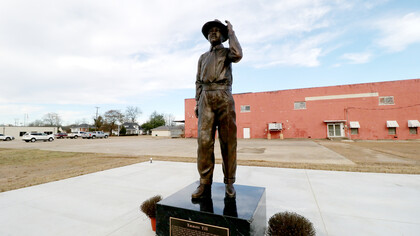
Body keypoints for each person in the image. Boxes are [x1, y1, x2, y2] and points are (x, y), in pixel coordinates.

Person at [192, 19, 242, 199]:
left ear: (222, 34)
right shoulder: (203, 58)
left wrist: (232, 33)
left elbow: (238, 55)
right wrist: (198, 102)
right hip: (206, 98)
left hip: (223, 96)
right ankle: (204, 183)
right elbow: (198, 81)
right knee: (204, 143)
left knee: (228, 142)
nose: (213, 33)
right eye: (210, 32)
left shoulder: (227, 52)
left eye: (216, 31)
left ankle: (229, 182)